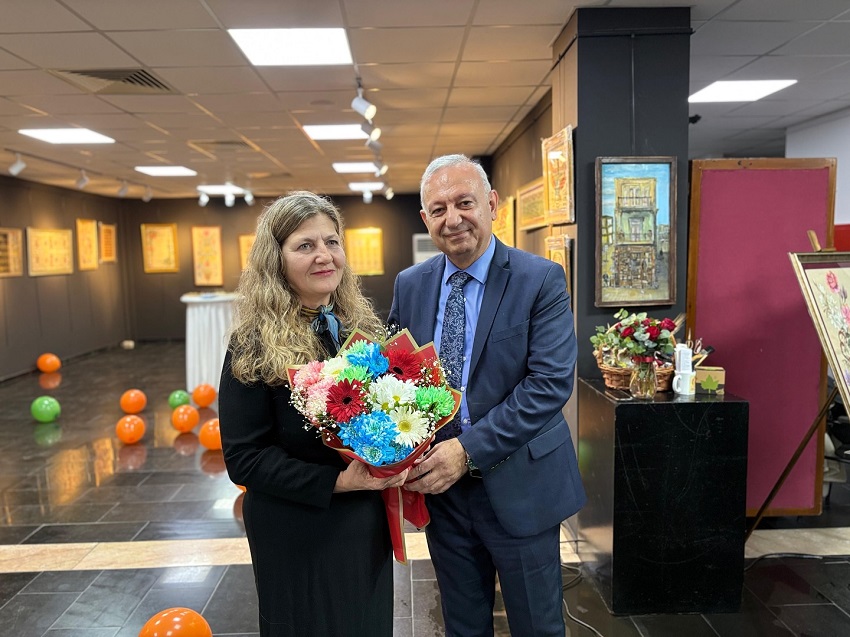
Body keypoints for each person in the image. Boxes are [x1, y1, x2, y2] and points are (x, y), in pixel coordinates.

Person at [389, 155, 586, 636]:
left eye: (465, 203)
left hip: (521, 484)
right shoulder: (410, 285)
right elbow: (396, 376)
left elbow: (548, 384)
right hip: (444, 493)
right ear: (425, 219)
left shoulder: (540, 279)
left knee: (537, 627)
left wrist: (466, 451)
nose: (453, 219)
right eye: (439, 209)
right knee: (462, 626)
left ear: (492, 204)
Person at [219, 191, 408, 637]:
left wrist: (399, 452)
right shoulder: (252, 344)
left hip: (362, 525)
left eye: (332, 242)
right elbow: (244, 458)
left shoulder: (361, 328)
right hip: (297, 531)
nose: (324, 255)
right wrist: (339, 481)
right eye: (305, 245)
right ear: (276, 260)